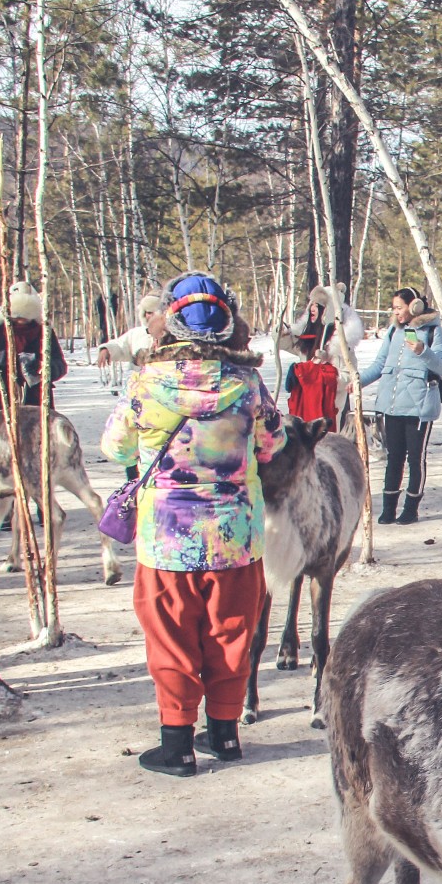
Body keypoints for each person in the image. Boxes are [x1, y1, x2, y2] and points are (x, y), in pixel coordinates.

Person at [100, 273, 286, 776]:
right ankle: (225, 734)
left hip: (166, 538)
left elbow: (113, 447)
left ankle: (177, 743)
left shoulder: (145, 383)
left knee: (171, 636)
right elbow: (272, 445)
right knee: (231, 632)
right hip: (236, 537)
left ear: (171, 321)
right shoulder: (248, 384)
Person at [356, 287, 442, 525]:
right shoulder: (393, 332)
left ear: (414, 306)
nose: (396, 313)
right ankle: (388, 509)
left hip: (419, 409)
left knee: (416, 459)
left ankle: (411, 509)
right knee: (393, 457)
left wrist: (423, 351)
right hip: (392, 407)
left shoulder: (432, 331)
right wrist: (355, 382)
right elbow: (379, 365)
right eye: (394, 308)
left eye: (399, 307)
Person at [0, 281, 67, 407]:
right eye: (17, 317)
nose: (20, 321)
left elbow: (60, 365)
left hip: (37, 399)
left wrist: (44, 367)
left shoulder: (43, 332)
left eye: (25, 317)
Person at [281, 326, 342, 426]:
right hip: (305, 407)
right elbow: (284, 344)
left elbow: (348, 377)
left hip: (331, 405)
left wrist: (326, 374)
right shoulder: (306, 340)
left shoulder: (340, 348)